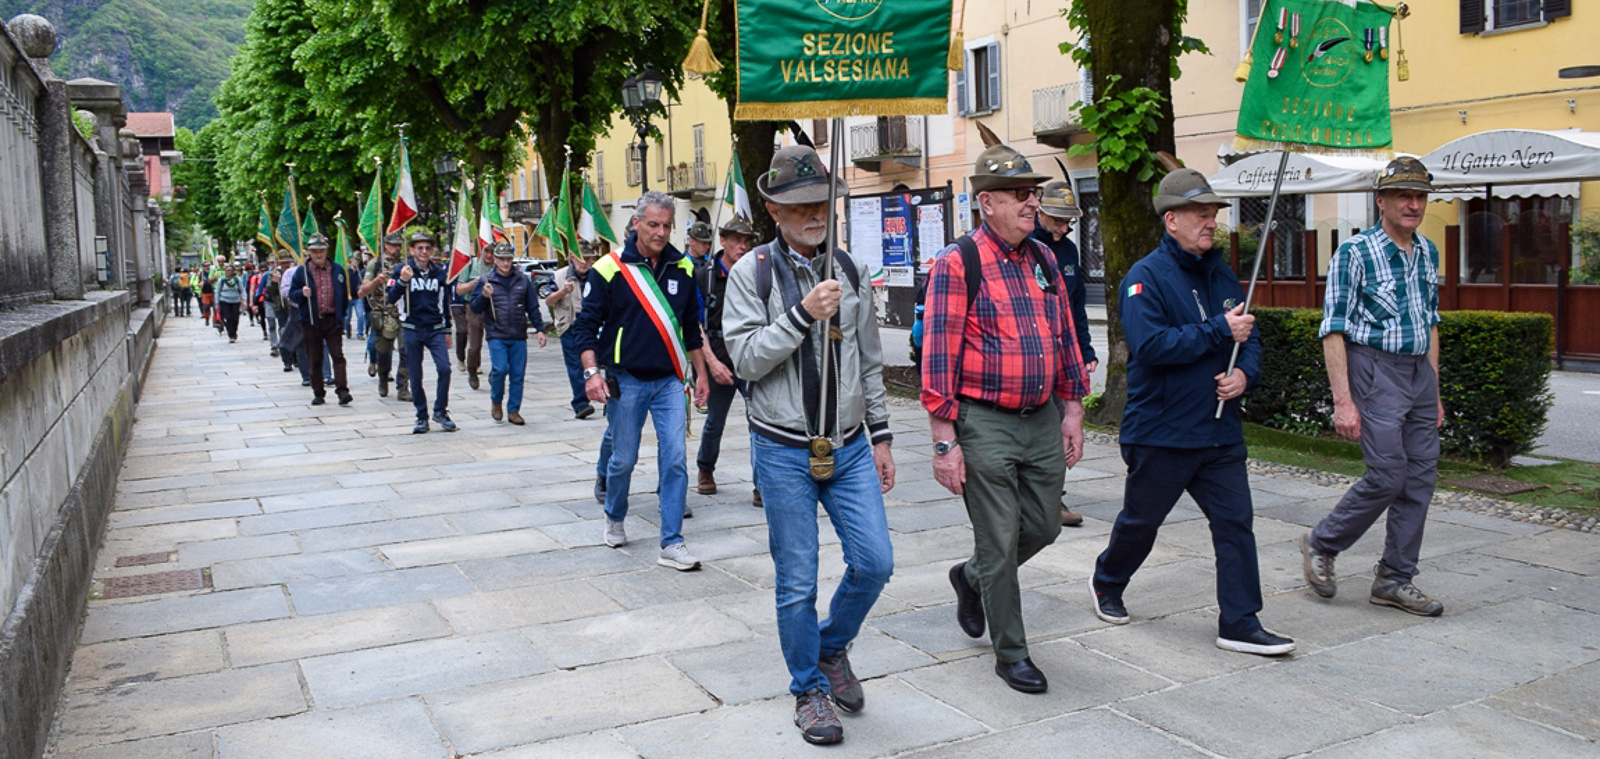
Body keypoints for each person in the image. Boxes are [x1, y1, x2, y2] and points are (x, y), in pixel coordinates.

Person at [722, 145, 896, 745]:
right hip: (783, 449)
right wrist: (800, 315)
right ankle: (809, 690)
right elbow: (744, 359)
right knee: (797, 579)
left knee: (876, 562)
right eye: (799, 207)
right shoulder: (751, 274)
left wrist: (882, 436)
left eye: (821, 203)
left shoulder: (848, 269)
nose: (814, 215)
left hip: (847, 447)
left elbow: (869, 361)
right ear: (773, 210)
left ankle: (831, 647)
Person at [1090, 168, 1295, 657]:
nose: (1211, 222)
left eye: (1214, 213)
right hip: (1161, 431)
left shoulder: (1223, 274)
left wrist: (1245, 374)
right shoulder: (1145, 278)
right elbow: (1150, 346)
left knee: (1235, 523)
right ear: (1171, 220)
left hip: (1218, 430)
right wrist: (1218, 330)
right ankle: (1108, 581)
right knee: (1142, 523)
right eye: (1201, 214)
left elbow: (1250, 336)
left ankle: (1240, 621)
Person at [922, 140, 1088, 695]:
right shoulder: (957, 261)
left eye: (1033, 193)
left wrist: (1073, 406)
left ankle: (970, 578)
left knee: (1041, 526)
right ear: (986, 201)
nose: (1030, 202)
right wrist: (945, 439)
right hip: (984, 421)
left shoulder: (1043, 258)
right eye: (1019, 194)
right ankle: (1011, 653)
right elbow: (938, 352)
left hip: (1041, 417)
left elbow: (1063, 335)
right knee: (999, 537)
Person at [1301, 157, 1446, 617]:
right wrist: (1343, 401)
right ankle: (1323, 543)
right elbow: (1333, 329)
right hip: (1374, 368)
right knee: (1388, 474)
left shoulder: (1427, 252)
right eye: (1403, 195)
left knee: (1420, 478)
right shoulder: (1354, 254)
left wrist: (1435, 390)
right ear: (1380, 201)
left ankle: (1394, 579)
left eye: (1420, 196)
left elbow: (1431, 323)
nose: (1413, 204)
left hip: (1419, 372)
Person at [572, 191, 711, 572]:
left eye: (667, 225)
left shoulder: (683, 267)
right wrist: (591, 375)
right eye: (653, 224)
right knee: (624, 459)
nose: (661, 232)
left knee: (676, 460)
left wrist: (701, 374)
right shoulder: (609, 268)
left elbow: (690, 329)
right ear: (635, 224)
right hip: (625, 379)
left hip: (668, 381)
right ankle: (615, 516)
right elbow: (585, 328)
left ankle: (672, 542)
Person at [1031, 180, 1098, 528]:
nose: (1063, 227)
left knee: (1060, 424)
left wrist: (1085, 348)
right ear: (1040, 212)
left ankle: (1052, 498)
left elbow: (1077, 304)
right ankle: (1033, 498)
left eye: (1068, 221)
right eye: (1058, 220)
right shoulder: (1027, 245)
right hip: (1033, 354)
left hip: (1064, 352)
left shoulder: (1069, 251)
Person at [695, 215, 759, 503]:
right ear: (722, 241)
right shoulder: (703, 275)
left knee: (759, 421)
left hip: (750, 355)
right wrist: (710, 364)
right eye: (736, 240)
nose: (742, 247)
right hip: (718, 354)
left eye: (746, 241)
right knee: (715, 421)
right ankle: (705, 469)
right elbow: (694, 323)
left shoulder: (758, 271)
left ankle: (762, 483)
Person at [470, 242, 547, 424]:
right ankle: (496, 400)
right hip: (497, 333)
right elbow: (475, 308)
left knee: (518, 374)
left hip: (518, 333)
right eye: (502, 259)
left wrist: (540, 329)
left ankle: (514, 410)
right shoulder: (486, 280)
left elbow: (533, 307)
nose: (505, 263)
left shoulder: (522, 280)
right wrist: (483, 296)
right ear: (495, 260)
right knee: (500, 369)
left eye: (508, 259)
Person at [388, 230, 456, 433]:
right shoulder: (402, 269)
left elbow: (444, 302)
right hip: (412, 328)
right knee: (415, 374)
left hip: (435, 328)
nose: (424, 252)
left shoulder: (439, 273)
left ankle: (440, 411)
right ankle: (421, 416)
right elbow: (390, 298)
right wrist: (403, 281)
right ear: (412, 250)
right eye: (420, 248)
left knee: (445, 368)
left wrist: (447, 329)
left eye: (427, 248)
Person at [289, 234, 353, 407]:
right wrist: (302, 293)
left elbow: (344, 293)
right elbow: (291, 294)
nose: (318, 254)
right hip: (311, 320)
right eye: (315, 251)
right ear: (309, 253)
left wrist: (342, 315)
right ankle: (318, 392)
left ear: (326, 251)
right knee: (315, 358)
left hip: (332, 320)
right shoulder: (302, 272)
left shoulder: (337, 269)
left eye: (321, 251)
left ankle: (343, 391)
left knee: (338, 356)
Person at [548, 240, 600, 419]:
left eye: (589, 258)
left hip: (594, 325)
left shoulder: (598, 275)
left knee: (600, 362)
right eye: (582, 258)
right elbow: (548, 300)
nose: (585, 262)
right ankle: (581, 403)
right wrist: (563, 292)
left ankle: (607, 398)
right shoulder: (559, 276)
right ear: (572, 257)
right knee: (575, 366)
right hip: (569, 326)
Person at [358, 232, 410, 401]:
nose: (397, 248)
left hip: (403, 314)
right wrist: (376, 281)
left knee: (406, 350)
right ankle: (383, 377)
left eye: (399, 245)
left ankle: (403, 386)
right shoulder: (375, 264)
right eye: (393, 245)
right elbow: (362, 291)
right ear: (385, 245)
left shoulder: (406, 264)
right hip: (382, 313)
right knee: (383, 352)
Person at [452, 244, 493, 388]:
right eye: (486, 251)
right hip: (474, 307)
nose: (489, 255)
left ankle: (496, 372)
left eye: (493, 252)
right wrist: (475, 283)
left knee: (499, 342)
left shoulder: (500, 266)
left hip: (495, 307)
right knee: (475, 344)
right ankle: (472, 370)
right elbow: (459, 290)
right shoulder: (470, 265)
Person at [215, 264, 245, 342]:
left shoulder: (237, 279)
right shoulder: (221, 280)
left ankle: (234, 331)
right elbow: (217, 292)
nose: (229, 272)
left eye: (230, 270)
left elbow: (242, 290)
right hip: (224, 301)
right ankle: (231, 335)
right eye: (227, 270)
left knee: (235, 318)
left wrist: (244, 299)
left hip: (235, 301)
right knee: (228, 318)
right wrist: (216, 303)